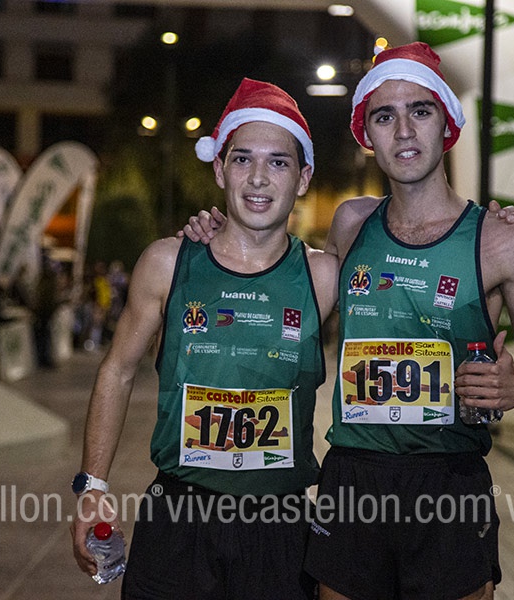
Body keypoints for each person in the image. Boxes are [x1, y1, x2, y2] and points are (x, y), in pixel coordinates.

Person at [183, 42, 514, 600]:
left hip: (449, 481)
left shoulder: (504, 241)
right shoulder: (351, 222)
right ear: (367, 133)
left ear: (447, 125)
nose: (404, 131)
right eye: (385, 116)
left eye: (420, 111)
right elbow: (280, 275)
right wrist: (221, 234)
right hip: (351, 477)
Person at [70, 78, 338, 599]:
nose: (258, 178)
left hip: (278, 526)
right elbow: (117, 371)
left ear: (303, 177)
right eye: (242, 159)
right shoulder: (167, 263)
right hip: (179, 520)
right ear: (219, 169)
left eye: (278, 162)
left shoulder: (324, 276)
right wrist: (92, 487)